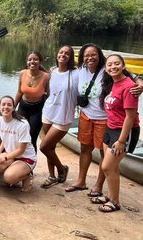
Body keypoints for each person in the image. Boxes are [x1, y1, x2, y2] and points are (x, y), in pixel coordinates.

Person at [65, 43, 143, 195]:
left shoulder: (107, 69)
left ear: (99, 56)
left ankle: (98, 186)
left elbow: (133, 77)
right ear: (82, 58)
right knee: (84, 149)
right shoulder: (81, 70)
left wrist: (140, 85)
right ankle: (81, 181)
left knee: (103, 153)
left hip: (104, 119)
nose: (90, 58)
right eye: (86, 55)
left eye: (93, 54)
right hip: (86, 116)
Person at [90, 54, 140, 212]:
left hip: (124, 132)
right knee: (112, 167)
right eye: (110, 65)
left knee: (106, 166)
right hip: (110, 128)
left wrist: (120, 141)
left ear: (123, 66)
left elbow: (131, 117)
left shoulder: (128, 86)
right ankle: (110, 196)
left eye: (117, 64)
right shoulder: (113, 83)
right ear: (106, 68)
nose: (113, 67)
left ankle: (115, 202)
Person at [40, 46, 78, 188]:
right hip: (48, 112)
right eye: (61, 52)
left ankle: (61, 169)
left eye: (67, 53)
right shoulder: (52, 72)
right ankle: (51, 175)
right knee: (51, 147)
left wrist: (136, 80)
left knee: (44, 146)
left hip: (63, 115)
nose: (63, 55)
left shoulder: (77, 73)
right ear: (57, 55)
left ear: (71, 57)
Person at [0, 96, 37, 192]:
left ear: (14, 108)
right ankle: (14, 170)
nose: (6, 107)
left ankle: (27, 176)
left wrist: (4, 158)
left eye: (9, 105)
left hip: (26, 158)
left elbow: (21, 150)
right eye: (3, 104)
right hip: (12, 155)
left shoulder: (22, 124)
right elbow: (5, 138)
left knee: (8, 178)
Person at [14, 51, 50, 152]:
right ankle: (18, 160)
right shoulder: (22, 73)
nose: (32, 61)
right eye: (30, 59)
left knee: (31, 138)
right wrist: (13, 108)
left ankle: (30, 164)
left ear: (40, 61)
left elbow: (49, 97)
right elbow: (19, 92)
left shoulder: (46, 77)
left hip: (37, 110)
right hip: (23, 107)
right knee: (19, 136)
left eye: (35, 59)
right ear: (27, 61)